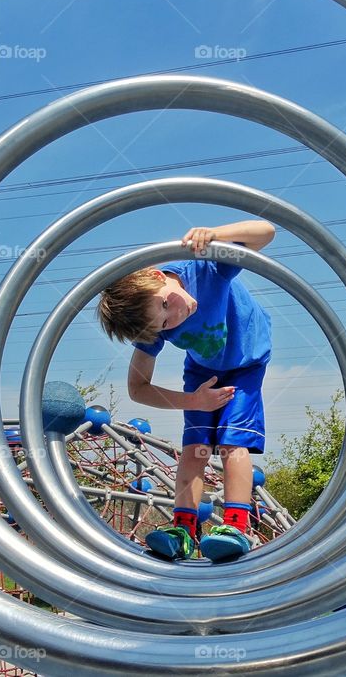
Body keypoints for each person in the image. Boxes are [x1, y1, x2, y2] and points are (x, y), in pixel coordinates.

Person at [98, 220, 274, 562]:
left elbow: (265, 231)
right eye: (165, 323)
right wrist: (192, 401)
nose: (175, 315)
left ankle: (238, 527)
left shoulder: (206, 269)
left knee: (231, 442)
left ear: (157, 275)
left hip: (246, 361)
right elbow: (138, 388)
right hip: (202, 373)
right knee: (194, 448)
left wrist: (216, 235)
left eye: (166, 305)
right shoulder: (152, 327)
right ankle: (184, 531)